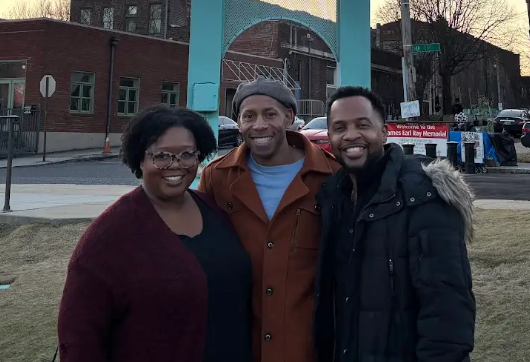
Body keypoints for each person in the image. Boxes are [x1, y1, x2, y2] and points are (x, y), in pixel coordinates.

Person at [57, 106, 252, 362]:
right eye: (161, 156)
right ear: (140, 158)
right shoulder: (108, 237)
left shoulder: (213, 210)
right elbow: (79, 337)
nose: (175, 165)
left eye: (187, 154)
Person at [314, 86, 476, 362]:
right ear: (330, 137)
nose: (351, 135)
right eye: (340, 127)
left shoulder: (423, 196)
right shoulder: (332, 198)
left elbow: (446, 310)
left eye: (362, 125)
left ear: (384, 132)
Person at [199, 78, 339, 362]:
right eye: (248, 116)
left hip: (306, 344)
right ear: (238, 122)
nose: (259, 125)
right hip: (236, 342)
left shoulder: (332, 177)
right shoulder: (217, 177)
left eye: (270, 114)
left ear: (289, 117)